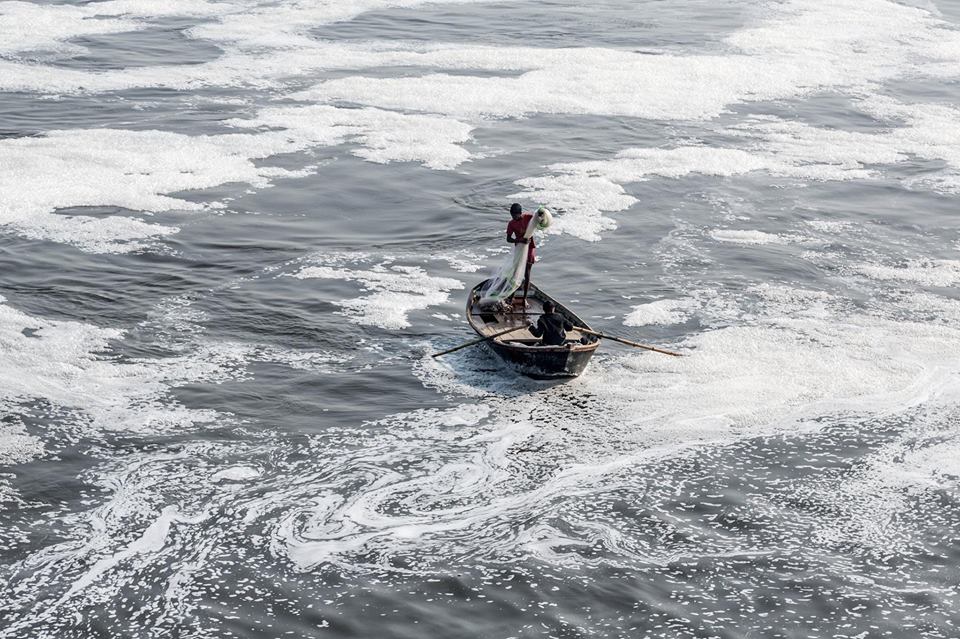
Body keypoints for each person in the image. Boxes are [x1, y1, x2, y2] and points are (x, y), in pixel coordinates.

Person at [505, 202, 536, 304]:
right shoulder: (511, 223)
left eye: (515, 215)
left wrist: (541, 215)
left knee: (527, 273)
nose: (513, 217)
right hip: (519, 248)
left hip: (530, 248)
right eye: (512, 215)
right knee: (516, 273)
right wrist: (519, 240)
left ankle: (524, 299)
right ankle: (512, 296)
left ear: (520, 213)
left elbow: (538, 219)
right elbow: (508, 239)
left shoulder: (528, 217)